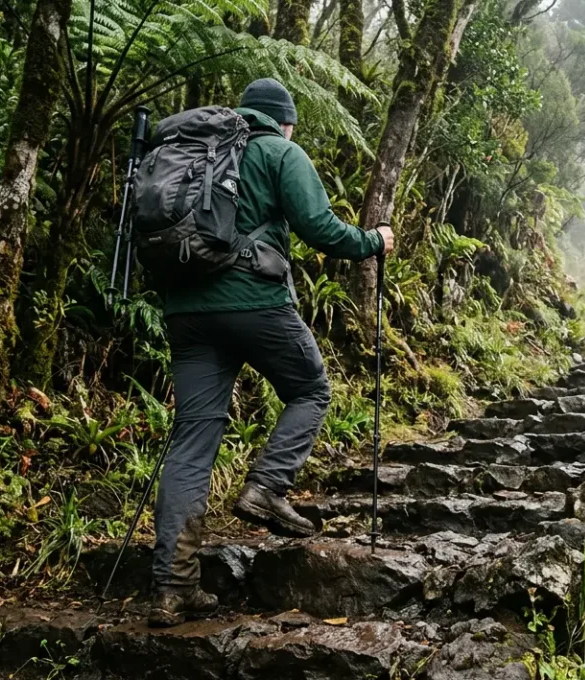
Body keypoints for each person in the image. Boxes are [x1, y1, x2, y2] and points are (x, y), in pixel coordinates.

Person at [147, 78, 394, 627]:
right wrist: (374, 240)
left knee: (191, 442)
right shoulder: (281, 151)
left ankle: (172, 588)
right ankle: (266, 486)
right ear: (283, 121)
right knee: (310, 388)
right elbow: (320, 228)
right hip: (253, 301)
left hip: (185, 312)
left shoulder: (198, 151)